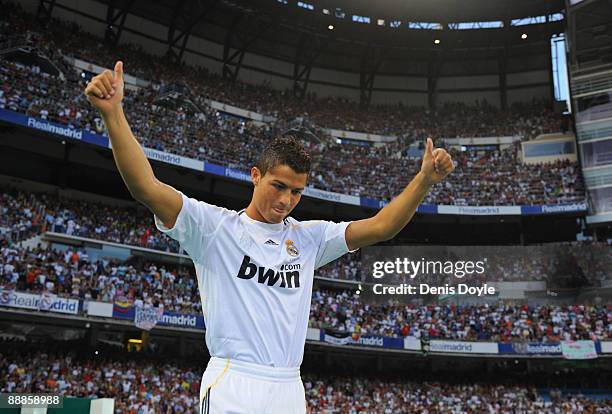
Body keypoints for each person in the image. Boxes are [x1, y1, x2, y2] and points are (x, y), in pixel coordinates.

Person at [85, 61, 455, 414]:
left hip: (289, 386)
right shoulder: (214, 228)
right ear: (255, 175)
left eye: (296, 192)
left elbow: (381, 226)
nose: (285, 201)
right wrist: (113, 114)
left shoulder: (309, 239)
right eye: (278, 186)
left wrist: (424, 181)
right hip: (234, 379)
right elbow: (146, 187)